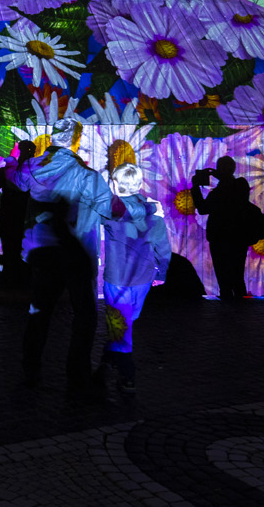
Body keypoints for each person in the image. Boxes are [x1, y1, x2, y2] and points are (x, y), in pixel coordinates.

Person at [18, 139, 122, 389]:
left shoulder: (34, 170)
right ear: (75, 143)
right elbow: (112, 210)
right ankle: (77, 371)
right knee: (84, 316)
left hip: (46, 254)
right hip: (75, 255)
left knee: (39, 314)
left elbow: (13, 178)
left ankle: (31, 367)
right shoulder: (87, 177)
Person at [97, 163, 170, 396]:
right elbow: (163, 248)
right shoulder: (154, 211)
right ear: (139, 184)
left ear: (116, 183)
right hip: (143, 278)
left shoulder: (109, 211)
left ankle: (128, 376)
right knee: (125, 325)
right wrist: (161, 274)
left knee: (121, 328)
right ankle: (106, 362)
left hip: (118, 279)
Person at [193, 155, 252, 300]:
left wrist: (195, 187)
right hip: (238, 236)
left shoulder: (223, 191)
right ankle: (240, 310)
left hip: (220, 237)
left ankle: (228, 309)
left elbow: (202, 208)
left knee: (225, 276)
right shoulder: (241, 185)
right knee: (237, 274)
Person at [0, 140, 36, 293]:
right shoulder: (24, 169)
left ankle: (15, 281)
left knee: (15, 251)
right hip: (20, 218)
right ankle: (17, 282)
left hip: (16, 218)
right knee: (15, 251)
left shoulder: (17, 169)